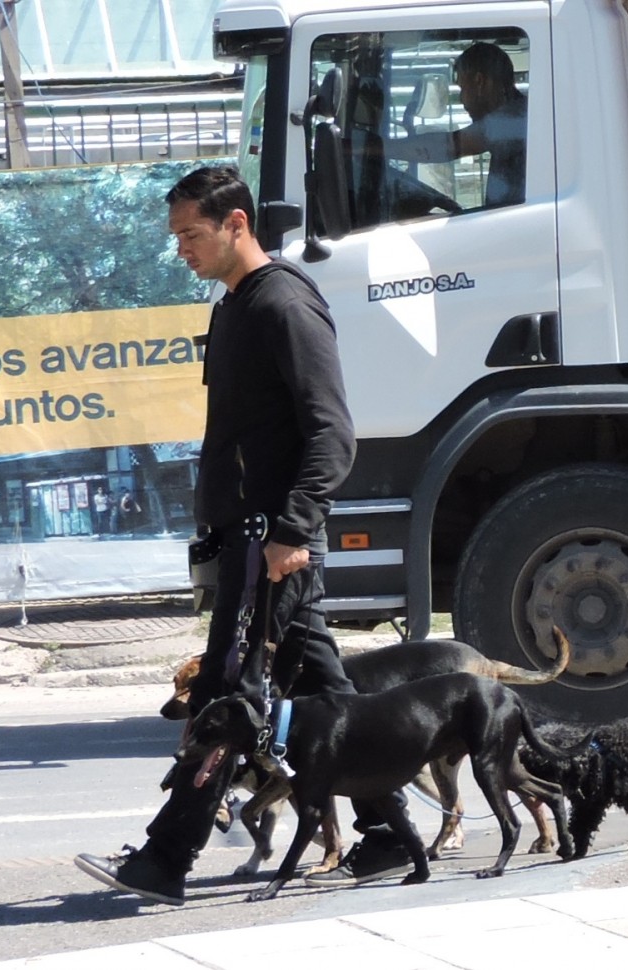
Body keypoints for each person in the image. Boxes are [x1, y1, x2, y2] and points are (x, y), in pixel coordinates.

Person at [74, 166, 416, 906]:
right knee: (327, 691)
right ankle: (389, 832)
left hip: (274, 543)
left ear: (236, 225)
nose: (181, 251)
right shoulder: (233, 309)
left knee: (229, 699)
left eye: (191, 235)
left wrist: (293, 529)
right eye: (175, 237)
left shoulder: (284, 306)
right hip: (246, 540)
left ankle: (166, 856)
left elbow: (332, 433)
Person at [388, 41, 527, 208]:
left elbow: (446, 146)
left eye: (462, 88)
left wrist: (376, 148)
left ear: (479, 81)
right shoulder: (521, 113)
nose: (461, 100)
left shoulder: (511, 120)